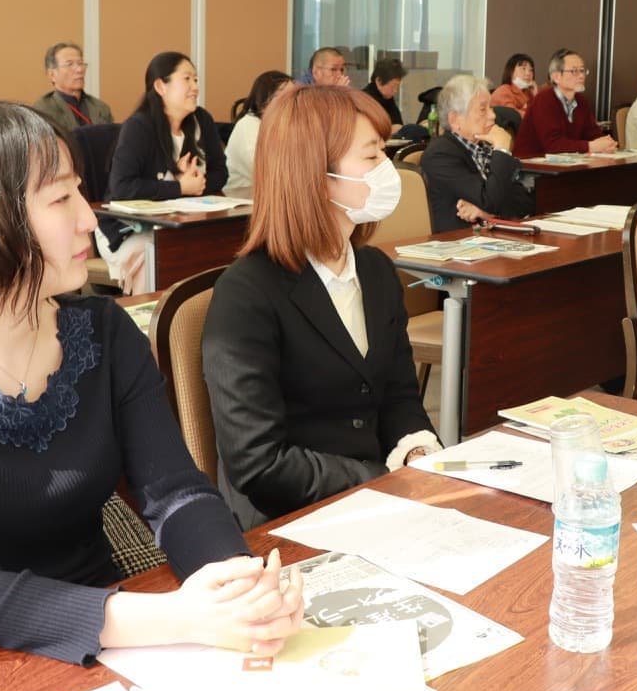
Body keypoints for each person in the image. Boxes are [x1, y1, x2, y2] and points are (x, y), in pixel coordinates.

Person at [0, 102, 302, 671]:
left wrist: (238, 588)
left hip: (106, 631)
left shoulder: (104, 333)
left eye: (80, 191)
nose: (89, 218)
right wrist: (179, 618)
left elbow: (178, 493)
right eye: (61, 199)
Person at [202, 83, 440, 529]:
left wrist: (417, 451)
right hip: (287, 521)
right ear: (316, 174)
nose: (387, 169)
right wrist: (381, 481)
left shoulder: (376, 271)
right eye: (371, 156)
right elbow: (258, 463)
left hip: (376, 503)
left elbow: (399, 396)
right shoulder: (246, 294)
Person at [100, 52, 228, 292]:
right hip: (128, 229)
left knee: (218, 246)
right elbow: (122, 187)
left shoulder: (201, 120)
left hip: (183, 224)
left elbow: (221, 172)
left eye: (196, 80)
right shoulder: (139, 127)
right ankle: (151, 315)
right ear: (160, 86)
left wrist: (197, 185)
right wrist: (180, 187)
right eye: (187, 79)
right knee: (157, 256)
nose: (195, 87)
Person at [420, 75, 535, 232]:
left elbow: (525, 203)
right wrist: (502, 149)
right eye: (483, 109)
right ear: (455, 120)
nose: (493, 115)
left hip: (489, 236)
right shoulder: (440, 155)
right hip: (457, 241)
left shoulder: (484, 147)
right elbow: (490, 200)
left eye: (490, 108)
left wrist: (485, 214)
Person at [511, 48, 617, 157]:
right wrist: (590, 146)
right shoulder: (544, 100)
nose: (581, 76)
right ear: (556, 77)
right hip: (532, 163)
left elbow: (593, 134)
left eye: (582, 70)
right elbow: (553, 145)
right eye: (574, 71)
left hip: (567, 162)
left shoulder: (581, 101)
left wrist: (607, 143)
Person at [223, 69, 291, 199]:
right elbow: (266, 171)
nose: (292, 102)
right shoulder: (248, 125)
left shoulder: (286, 125)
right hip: (242, 199)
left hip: (272, 196)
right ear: (265, 100)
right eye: (284, 96)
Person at [31, 41, 113, 135]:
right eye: (70, 64)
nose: (79, 70)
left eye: (80, 63)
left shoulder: (100, 107)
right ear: (52, 74)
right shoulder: (43, 110)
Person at [362, 58, 406, 133]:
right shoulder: (364, 100)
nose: (395, 91)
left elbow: (397, 123)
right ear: (378, 81)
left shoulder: (387, 98)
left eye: (397, 87)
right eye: (392, 87)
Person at [490, 52, 538, 118]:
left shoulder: (529, 93)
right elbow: (515, 117)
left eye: (531, 70)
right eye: (523, 69)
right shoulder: (503, 92)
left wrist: (536, 96)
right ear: (511, 71)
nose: (528, 73)